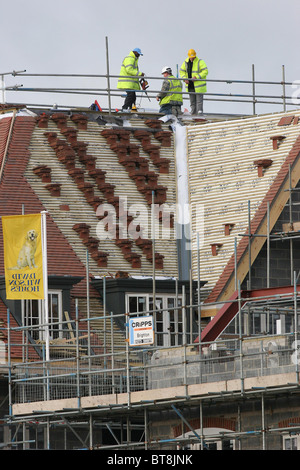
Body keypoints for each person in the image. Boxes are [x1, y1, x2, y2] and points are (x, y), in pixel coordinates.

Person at [180, 49, 208, 115]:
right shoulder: (185, 62)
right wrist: (184, 79)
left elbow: (205, 71)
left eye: (193, 57)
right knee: (192, 101)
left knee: (199, 102)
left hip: (199, 86)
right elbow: (182, 71)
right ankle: (193, 114)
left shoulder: (200, 62)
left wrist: (196, 77)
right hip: (190, 85)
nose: (192, 58)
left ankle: (199, 114)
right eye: (191, 57)